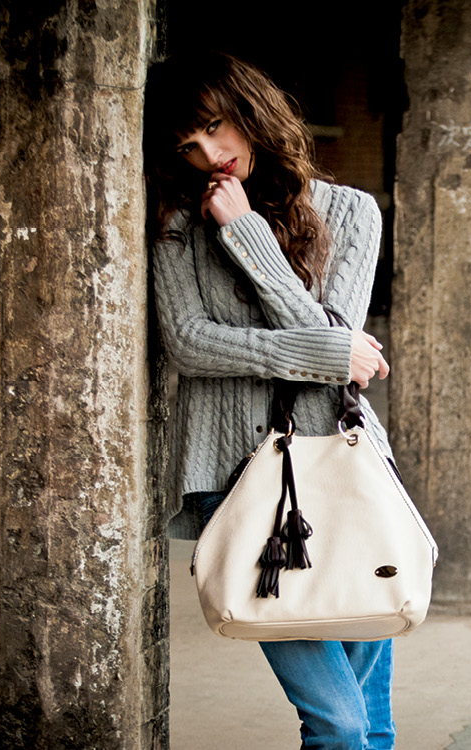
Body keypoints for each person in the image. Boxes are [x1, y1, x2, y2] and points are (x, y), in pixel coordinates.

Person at [144, 52, 396, 750]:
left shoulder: (352, 211)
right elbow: (190, 343)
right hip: (237, 481)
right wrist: (327, 352)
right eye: (188, 147)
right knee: (340, 723)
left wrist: (248, 234)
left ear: (251, 110)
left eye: (214, 128)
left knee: (370, 722)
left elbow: (333, 337)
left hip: (345, 472)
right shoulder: (177, 221)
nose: (209, 156)